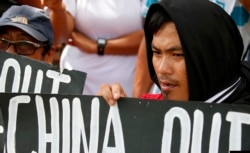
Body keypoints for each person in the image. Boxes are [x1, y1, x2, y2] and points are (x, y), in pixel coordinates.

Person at [97, 0, 250, 106]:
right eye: (156, 53)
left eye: (177, 55)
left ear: (211, 57)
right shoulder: (149, 107)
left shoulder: (242, 124)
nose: (162, 69)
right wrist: (116, 117)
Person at [42, 0, 144, 96]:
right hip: (78, 82)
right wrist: (58, 10)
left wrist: (96, 47)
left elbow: (152, 36)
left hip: (129, 85)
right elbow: (59, 37)